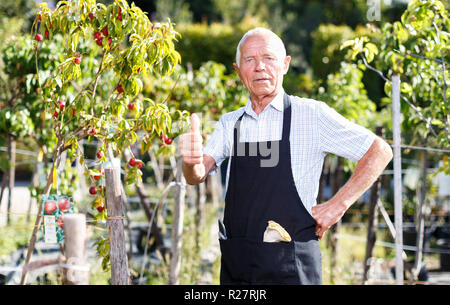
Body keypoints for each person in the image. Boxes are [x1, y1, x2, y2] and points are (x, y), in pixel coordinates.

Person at [178, 27, 393, 285]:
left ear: (285, 64)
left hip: (293, 267)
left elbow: (379, 151)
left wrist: (338, 205)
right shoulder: (230, 124)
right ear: (237, 70)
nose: (260, 67)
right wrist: (190, 163)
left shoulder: (311, 115)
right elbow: (196, 175)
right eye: (250, 60)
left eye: (268, 58)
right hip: (239, 266)